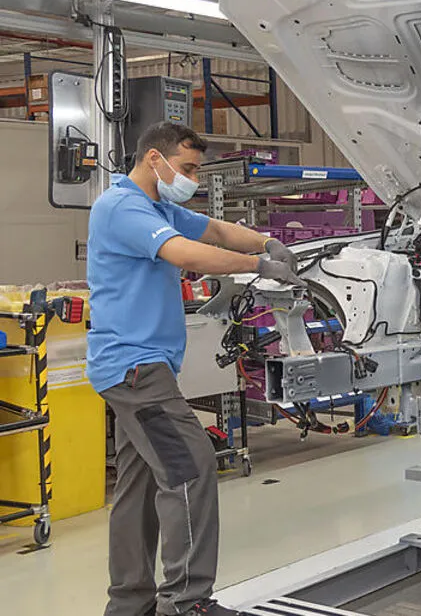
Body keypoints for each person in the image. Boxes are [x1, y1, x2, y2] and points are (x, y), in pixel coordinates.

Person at [87, 122, 304, 616]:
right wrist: (257, 267)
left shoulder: (159, 208)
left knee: (141, 483)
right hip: (135, 369)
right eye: (186, 168)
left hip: (138, 367)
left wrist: (266, 242)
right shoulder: (121, 207)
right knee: (190, 466)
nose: (193, 179)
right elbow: (184, 252)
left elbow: (216, 231)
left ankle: (129, 604)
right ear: (153, 159)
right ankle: (186, 603)